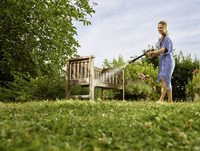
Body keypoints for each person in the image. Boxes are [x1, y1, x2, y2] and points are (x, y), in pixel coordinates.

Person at [146, 21, 175, 103]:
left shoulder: (168, 38)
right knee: (164, 80)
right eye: (158, 28)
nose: (159, 29)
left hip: (168, 61)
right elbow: (159, 52)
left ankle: (161, 99)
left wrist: (152, 52)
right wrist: (151, 54)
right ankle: (170, 101)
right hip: (162, 61)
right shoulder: (160, 40)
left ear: (165, 28)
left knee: (165, 80)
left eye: (161, 27)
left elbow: (163, 50)